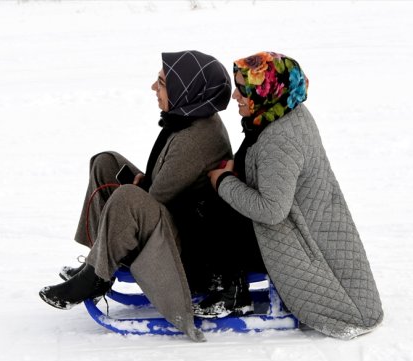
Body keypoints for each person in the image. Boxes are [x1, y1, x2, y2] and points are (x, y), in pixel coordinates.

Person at [40, 50, 234, 342]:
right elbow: (161, 187)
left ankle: (95, 277)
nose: (153, 88)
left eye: (162, 82)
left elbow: (155, 198)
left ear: (186, 90)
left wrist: (140, 188)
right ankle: (98, 255)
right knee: (106, 161)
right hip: (173, 214)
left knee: (128, 196)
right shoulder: (188, 117)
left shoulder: (196, 139)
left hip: (185, 244)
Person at [205, 51, 384, 339]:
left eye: (243, 89)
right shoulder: (283, 113)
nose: (235, 96)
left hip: (299, 243)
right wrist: (236, 169)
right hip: (306, 229)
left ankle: (226, 291)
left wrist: (224, 182)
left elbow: (272, 209)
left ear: (265, 92)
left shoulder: (280, 137)